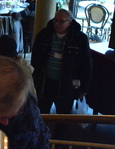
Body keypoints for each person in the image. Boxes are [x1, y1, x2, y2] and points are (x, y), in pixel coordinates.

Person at [31, 9, 92, 138]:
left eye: (61, 21)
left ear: (69, 22)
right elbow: (35, 57)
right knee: (42, 113)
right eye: (56, 20)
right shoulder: (45, 34)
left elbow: (86, 64)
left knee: (63, 117)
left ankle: (58, 143)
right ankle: (40, 139)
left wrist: (84, 88)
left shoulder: (79, 39)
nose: (57, 24)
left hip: (66, 85)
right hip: (46, 82)